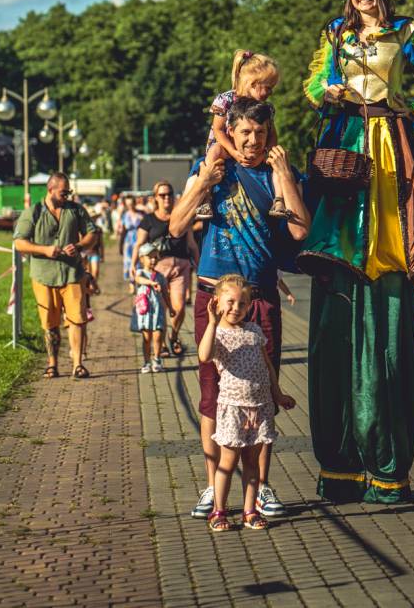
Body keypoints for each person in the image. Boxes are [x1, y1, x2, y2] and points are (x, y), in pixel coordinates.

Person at [298, 0, 414, 503]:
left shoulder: (409, 32)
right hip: (345, 137)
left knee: (388, 243)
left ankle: (387, 465)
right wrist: (330, 89)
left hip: (388, 141)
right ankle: (341, 464)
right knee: (343, 240)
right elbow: (312, 82)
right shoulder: (335, 34)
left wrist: (410, 109)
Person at [168, 97, 310, 523]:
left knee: (262, 394)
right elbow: (176, 226)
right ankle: (214, 489)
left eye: (260, 134)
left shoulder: (276, 171)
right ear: (230, 132)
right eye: (244, 133)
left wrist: (284, 175)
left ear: (269, 135)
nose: (252, 141)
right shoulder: (214, 167)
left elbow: (301, 230)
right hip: (214, 297)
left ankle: (261, 488)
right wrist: (200, 183)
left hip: (260, 297)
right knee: (212, 396)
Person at [196, 274, 297, 531]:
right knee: (227, 463)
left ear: (249, 305)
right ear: (217, 302)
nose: (236, 309)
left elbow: (267, 367)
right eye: (230, 302)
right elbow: (204, 355)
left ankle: (249, 510)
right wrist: (210, 322)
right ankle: (218, 511)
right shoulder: (217, 333)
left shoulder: (254, 331)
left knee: (252, 463)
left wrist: (278, 394)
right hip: (233, 408)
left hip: (260, 407)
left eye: (242, 304)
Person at [13, 172, 100, 380]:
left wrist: (79, 246)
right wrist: (44, 250)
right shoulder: (32, 212)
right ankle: (52, 364)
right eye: (63, 192)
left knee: (77, 319)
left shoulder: (76, 210)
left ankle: (78, 364)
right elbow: (19, 242)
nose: (67, 195)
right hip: (43, 275)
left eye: (69, 191)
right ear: (50, 190)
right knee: (49, 323)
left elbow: (93, 234)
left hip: (72, 273)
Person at [194, 50, 288, 220]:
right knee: (214, 150)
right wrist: (233, 152)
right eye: (267, 88)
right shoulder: (226, 100)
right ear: (253, 83)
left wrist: (269, 151)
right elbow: (218, 129)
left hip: (252, 148)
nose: (270, 93)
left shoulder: (265, 107)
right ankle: (206, 197)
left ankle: (279, 199)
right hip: (226, 145)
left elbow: (272, 133)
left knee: (278, 157)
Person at [131, 181, 197, 356]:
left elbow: (192, 244)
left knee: (180, 307)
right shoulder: (149, 220)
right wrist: (133, 265)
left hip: (180, 267)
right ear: (155, 198)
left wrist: (198, 265)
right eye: (162, 195)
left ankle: (173, 336)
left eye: (169, 194)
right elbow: (138, 244)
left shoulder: (182, 217)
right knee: (160, 307)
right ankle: (162, 346)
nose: (166, 197)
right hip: (157, 268)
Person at [131, 242, 168, 374]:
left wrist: (170, 307)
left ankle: (157, 360)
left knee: (158, 336)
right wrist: (151, 283)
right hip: (145, 312)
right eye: (149, 257)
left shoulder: (161, 276)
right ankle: (146, 361)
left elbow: (165, 293)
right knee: (146, 338)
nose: (153, 260)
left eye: (155, 257)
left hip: (158, 311)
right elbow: (138, 279)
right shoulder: (140, 273)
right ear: (142, 259)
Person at [119, 195, 143, 294]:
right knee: (129, 262)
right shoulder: (125, 216)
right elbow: (123, 231)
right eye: (128, 204)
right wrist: (120, 244)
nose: (130, 206)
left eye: (131, 203)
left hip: (138, 239)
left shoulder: (141, 215)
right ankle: (132, 284)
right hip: (128, 241)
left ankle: (139, 282)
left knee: (139, 262)